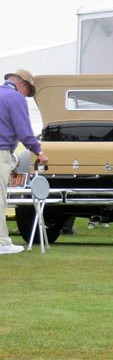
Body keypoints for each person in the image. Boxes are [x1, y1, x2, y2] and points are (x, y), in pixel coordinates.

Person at [0, 69, 48, 254]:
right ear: (24, 85)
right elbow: (24, 130)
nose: (27, 97)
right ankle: (2, 242)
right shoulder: (15, 98)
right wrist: (38, 151)